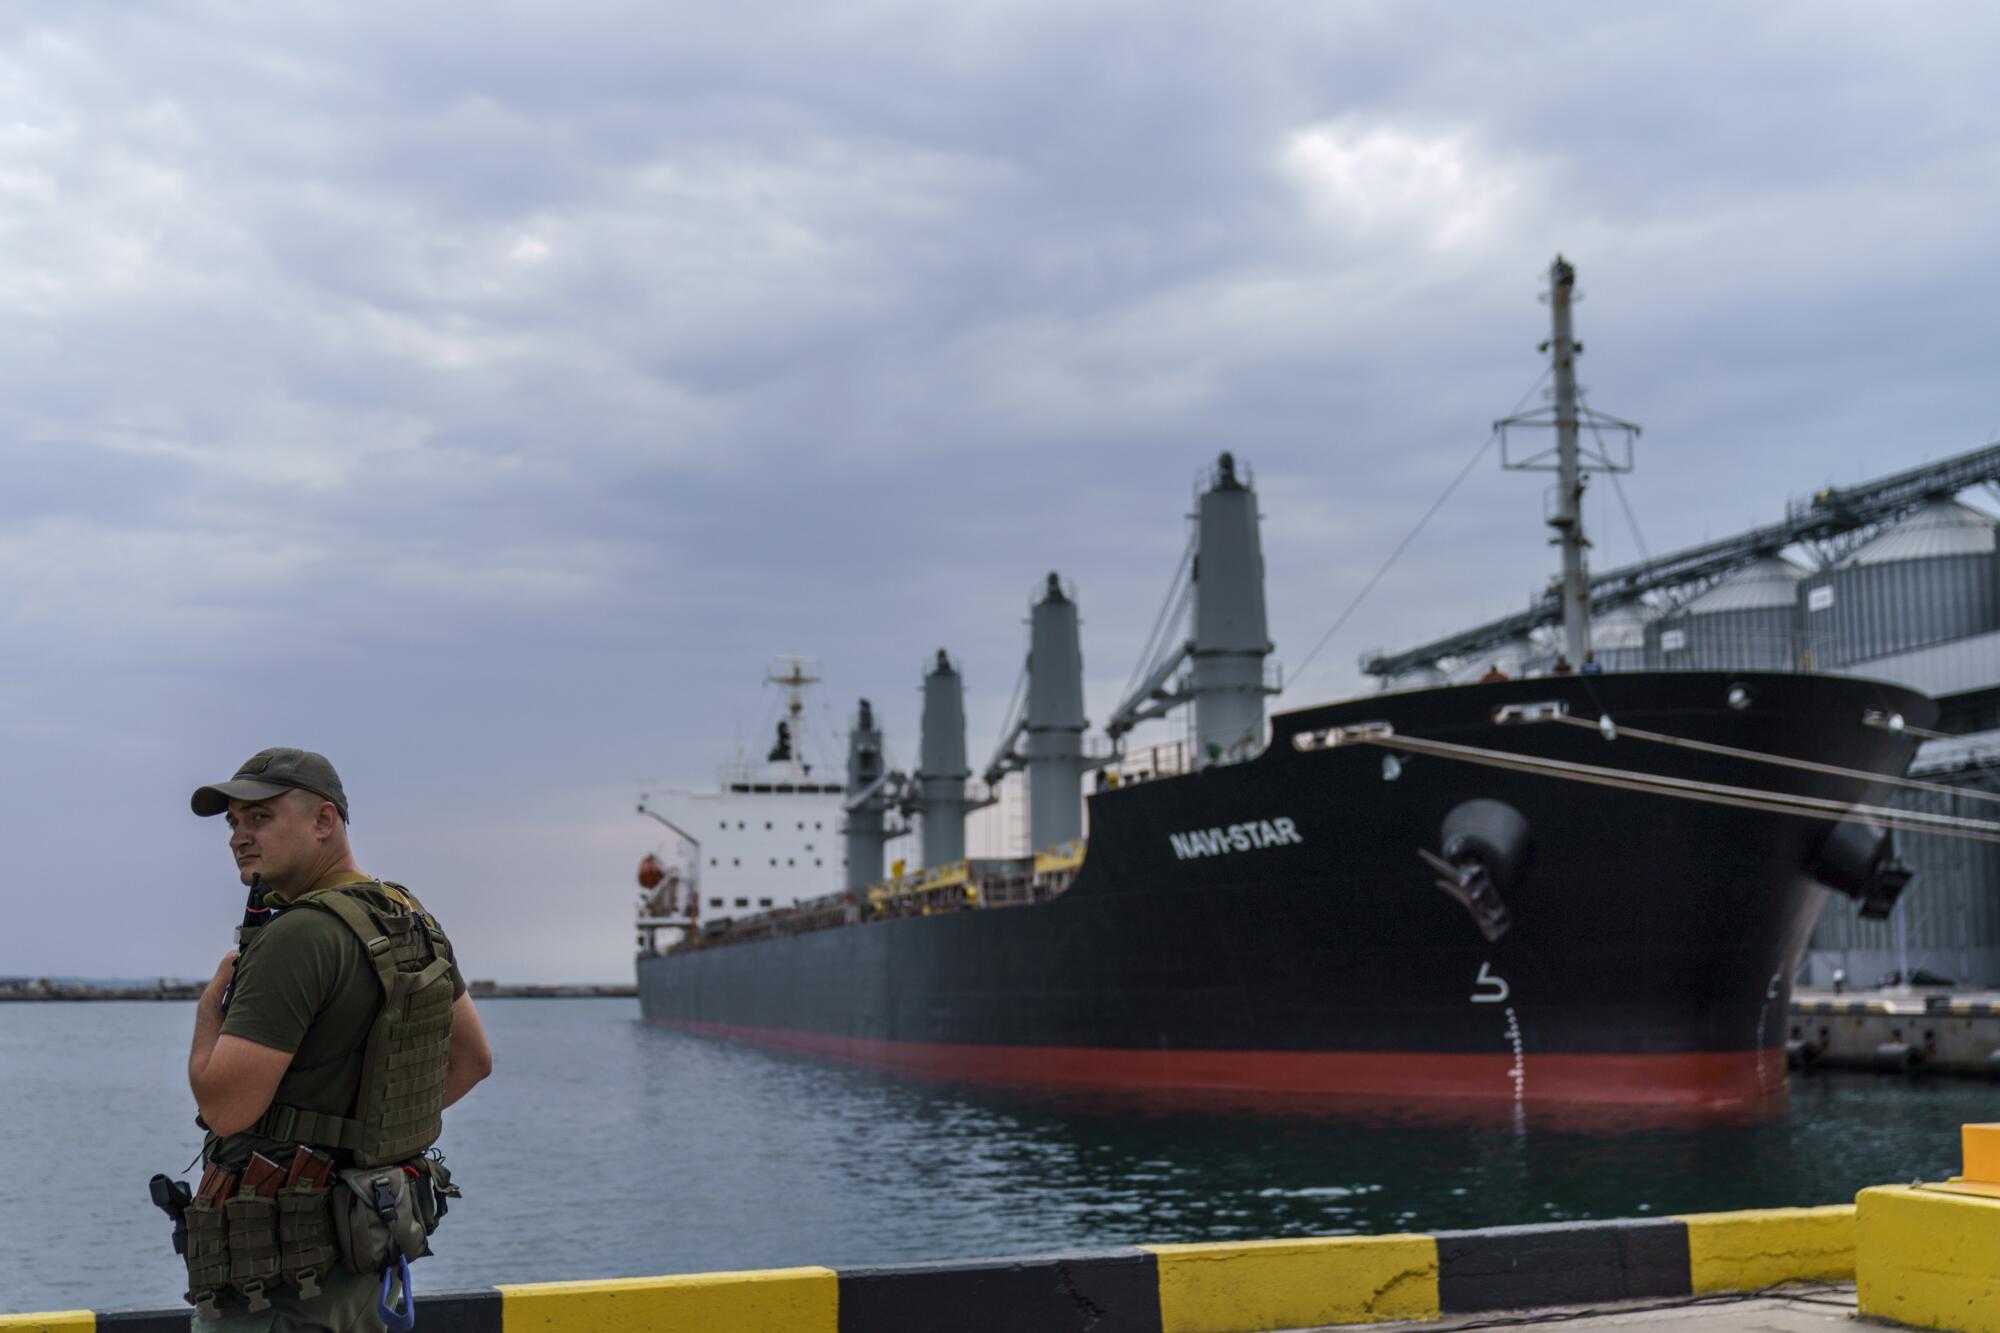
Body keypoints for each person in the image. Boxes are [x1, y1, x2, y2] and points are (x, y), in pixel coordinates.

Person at [183, 748, 493, 1330]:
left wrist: (207, 1013)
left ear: (324, 821)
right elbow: (471, 1061)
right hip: (364, 1261)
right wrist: (364, 1138)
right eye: (233, 822)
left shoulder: (295, 936)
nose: (238, 837)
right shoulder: (406, 916)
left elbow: (225, 1109)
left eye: (260, 817)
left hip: (278, 1286)